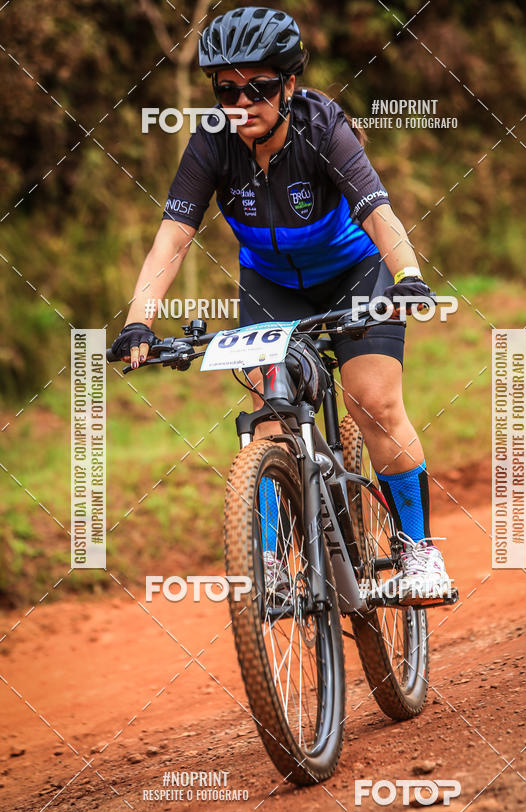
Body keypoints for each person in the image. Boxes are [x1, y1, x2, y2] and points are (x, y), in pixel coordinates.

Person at [111, 6, 452, 596]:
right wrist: (139, 321)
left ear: (289, 85)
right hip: (271, 285)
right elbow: (173, 235)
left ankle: (420, 551)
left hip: (353, 272)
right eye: (226, 90)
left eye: (258, 89)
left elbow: (378, 213)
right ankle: (268, 566)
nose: (240, 104)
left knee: (372, 402)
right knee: (269, 420)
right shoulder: (213, 142)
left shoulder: (323, 128)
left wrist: (408, 277)